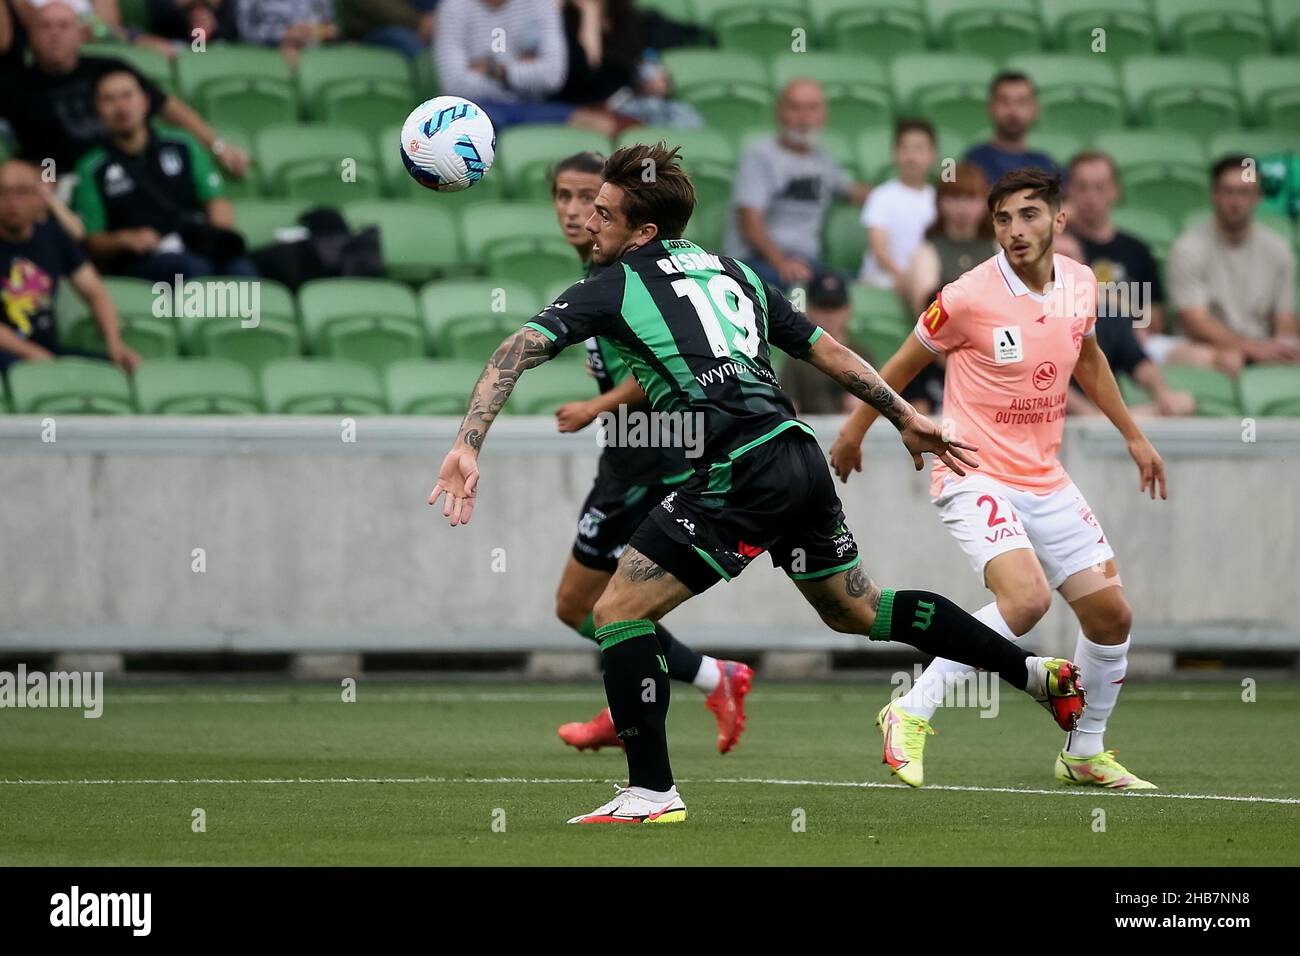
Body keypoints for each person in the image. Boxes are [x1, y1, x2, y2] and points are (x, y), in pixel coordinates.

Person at [430, 143, 1086, 824]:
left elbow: (514, 352)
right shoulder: (734, 270)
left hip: (737, 468)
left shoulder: (614, 285)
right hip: (795, 455)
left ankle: (651, 792)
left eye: (603, 211)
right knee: (857, 610)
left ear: (642, 231)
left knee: (616, 611)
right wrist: (904, 416)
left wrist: (466, 444)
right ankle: (1039, 676)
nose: (590, 222)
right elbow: (823, 349)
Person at [831, 167, 1167, 791]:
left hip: (1045, 476)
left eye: (1030, 215)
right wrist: (853, 434)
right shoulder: (965, 296)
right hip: (971, 468)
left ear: (1059, 220)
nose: (1016, 230)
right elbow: (896, 367)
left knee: (1112, 617)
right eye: (1005, 218)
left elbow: (1087, 357)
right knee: (1027, 600)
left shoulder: (1079, 285)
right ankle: (910, 708)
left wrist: (1133, 434)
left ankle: (1084, 751)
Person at [545, 151, 753, 754]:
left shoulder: (629, 275)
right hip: (632, 453)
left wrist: (596, 405)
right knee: (603, 604)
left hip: (652, 453)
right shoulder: (598, 270)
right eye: (564, 196)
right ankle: (656, 694)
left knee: (578, 604)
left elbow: (671, 361)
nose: (577, 211)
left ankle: (696, 685)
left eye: (590, 199)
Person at [0, 2, 251, 180]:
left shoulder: (109, 69)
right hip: (60, 178)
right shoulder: (15, 86)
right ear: (31, 35)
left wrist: (218, 146)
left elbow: (167, 106)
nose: (54, 35)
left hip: (129, 172)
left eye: (63, 26)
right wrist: (44, 182)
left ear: (81, 34)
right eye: (45, 27)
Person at [72, 68, 255, 281]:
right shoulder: (91, 167)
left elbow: (216, 201)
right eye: (109, 100)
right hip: (142, 259)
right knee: (194, 269)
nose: (121, 107)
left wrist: (215, 238)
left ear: (146, 101)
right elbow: (93, 241)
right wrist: (124, 240)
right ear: (98, 109)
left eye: (127, 96)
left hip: (192, 242)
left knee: (242, 269)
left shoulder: (183, 145)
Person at [1064, 151, 1194, 416]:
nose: (1091, 197)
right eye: (1082, 187)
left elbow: (1148, 332)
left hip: (1131, 337)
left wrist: (1163, 393)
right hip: (1048, 417)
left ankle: (1119, 419)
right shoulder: (1056, 237)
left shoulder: (1135, 250)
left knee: (1183, 398)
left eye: (1099, 187)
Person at [723, 78, 870, 289]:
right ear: (780, 112)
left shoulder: (823, 159)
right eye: (795, 108)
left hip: (805, 263)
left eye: (812, 108)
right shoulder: (759, 154)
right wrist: (781, 261)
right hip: (756, 262)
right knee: (819, 293)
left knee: (854, 285)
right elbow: (750, 223)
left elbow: (852, 191)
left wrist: (899, 190)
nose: (804, 117)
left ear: (823, 115)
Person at [0, 157, 139, 372]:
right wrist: (29, 352)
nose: (11, 201)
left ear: (39, 197)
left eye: (21, 192)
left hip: (46, 349)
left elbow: (94, 291)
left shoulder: (54, 237)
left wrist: (114, 343)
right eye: (3, 192)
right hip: (8, 352)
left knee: (114, 370)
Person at [1166, 154, 1300, 373]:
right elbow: (1196, 322)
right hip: (1210, 350)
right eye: (1229, 192)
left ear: (1258, 197)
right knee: (1228, 360)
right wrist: (1252, 348)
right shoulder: (1188, 248)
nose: (1236, 201)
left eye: (1245, 193)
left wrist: (1281, 348)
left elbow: (1285, 319)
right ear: (1214, 195)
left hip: (1265, 348)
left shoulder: (1279, 249)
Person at [859, 118, 936, 296]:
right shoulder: (881, 196)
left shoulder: (937, 198)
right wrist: (902, 276)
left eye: (919, 149)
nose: (911, 157)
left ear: (932, 155)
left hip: (926, 278)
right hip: (885, 278)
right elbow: (879, 248)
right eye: (904, 149)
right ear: (894, 154)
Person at [780, 270, 859, 415]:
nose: (829, 316)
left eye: (835, 307)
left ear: (847, 310)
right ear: (809, 310)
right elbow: (788, 410)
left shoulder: (861, 355)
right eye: (822, 307)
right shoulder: (796, 358)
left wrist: (865, 408)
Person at [964, 72, 1058, 187]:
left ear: (1035, 109)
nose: (1013, 111)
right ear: (990, 108)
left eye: (1021, 102)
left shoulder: (1046, 165)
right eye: (1004, 101)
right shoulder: (972, 161)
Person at [235, 0, 338, 66]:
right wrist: (284, 34)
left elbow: (330, 27)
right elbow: (245, 33)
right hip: (264, 54)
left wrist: (323, 31)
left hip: (313, 54)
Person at [338, 0, 436, 61]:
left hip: (410, 25)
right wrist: (419, 22)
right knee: (404, 39)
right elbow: (379, 9)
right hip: (370, 31)